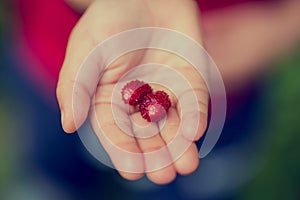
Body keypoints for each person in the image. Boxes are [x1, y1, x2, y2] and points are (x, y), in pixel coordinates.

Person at [16, 0, 300, 186]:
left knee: (207, 169)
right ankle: (55, 183)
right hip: (57, 56)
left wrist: (283, 26)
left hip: (231, 88)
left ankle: (208, 184)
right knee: (56, 152)